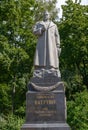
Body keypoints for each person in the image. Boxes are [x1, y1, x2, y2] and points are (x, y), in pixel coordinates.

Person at [33, 11, 61, 76]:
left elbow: (57, 35)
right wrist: (41, 29)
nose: (46, 15)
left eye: (47, 14)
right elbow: (34, 32)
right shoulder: (39, 24)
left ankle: (51, 68)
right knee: (41, 55)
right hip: (41, 44)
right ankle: (41, 67)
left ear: (49, 16)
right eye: (44, 14)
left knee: (51, 55)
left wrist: (58, 45)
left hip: (51, 44)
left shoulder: (54, 25)